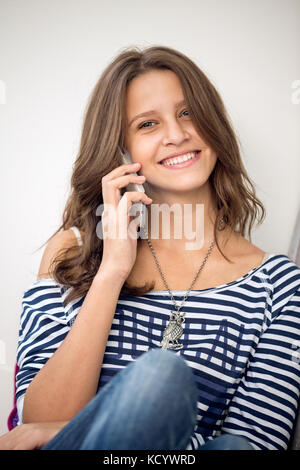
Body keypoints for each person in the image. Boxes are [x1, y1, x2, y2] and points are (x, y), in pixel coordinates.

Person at [1, 45, 300, 451]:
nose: (176, 135)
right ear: (121, 149)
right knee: (159, 376)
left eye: (188, 112)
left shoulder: (280, 285)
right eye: (147, 125)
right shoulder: (71, 252)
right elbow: (33, 425)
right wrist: (111, 272)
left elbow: (257, 444)